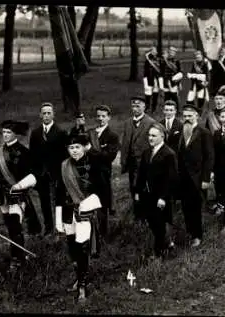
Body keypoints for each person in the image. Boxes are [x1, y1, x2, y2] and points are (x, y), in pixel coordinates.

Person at [55, 133, 107, 303]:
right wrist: (57, 217)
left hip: (85, 212)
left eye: (77, 147)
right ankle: (79, 277)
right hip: (68, 213)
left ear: (84, 147)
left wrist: (86, 204)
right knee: (73, 249)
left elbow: (102, 191)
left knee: (82, 246)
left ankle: (83, 285)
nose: (74, 151)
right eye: (71, 148)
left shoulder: (95, 164)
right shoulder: (64, 166)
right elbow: (59, 192)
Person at [0, 120, 42, 270]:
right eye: (4, 132)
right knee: (9, 226)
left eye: (8, 132)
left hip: (17, 195)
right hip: (2, 195)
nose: (5, 135)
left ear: (15, 134)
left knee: (15, 226)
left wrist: (19, 186)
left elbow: (33, 174)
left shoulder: (24, 152)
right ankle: (18, 254)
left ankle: (17, 258)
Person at [135, 123, 178, 259]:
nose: (150, 138)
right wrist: (137, 191)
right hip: (147, 195)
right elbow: (141, 174)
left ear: (162, 136)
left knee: (160, 223)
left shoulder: (168, 154)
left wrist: (163, 197)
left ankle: (158, 254)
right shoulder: (147, 152)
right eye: (149, 135)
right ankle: (168, 243)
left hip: (160, 196)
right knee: (152, 222)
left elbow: (171, 178)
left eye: (154, 135)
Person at [29, 103, 68, 236]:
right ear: (40, 115)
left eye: (49, 113)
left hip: (56, 173)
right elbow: (32, 155)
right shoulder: (35, 133)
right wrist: (35, 173)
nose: (46, 116)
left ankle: (60, 226)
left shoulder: (61, 132)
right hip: (41, 174)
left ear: (53, 115)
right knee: (44, 201)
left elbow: (64, 156)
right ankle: (48, 227)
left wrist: (61, 174)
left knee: (58, 200)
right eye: (44, 113)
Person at [178, 104, 214, 247]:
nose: (187, 119)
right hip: (183, 177)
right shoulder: (181, 131)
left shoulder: (204, 132)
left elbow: (209, 157)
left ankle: (197, 236)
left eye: (190, 116)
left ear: (196, 116)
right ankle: (189, 233)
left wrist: (205, 179)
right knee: (186, 206)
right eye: (185, 116)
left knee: (196, 207)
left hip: (197, 178)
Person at [120, 96, 156, 221]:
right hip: (132, 163)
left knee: (143, 188)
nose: (135, 108)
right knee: (133, 187)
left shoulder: (150, 122)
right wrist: (123, 161)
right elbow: (125, 143)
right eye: (133, 106)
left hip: (144, 162)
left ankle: (146, 214)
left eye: (138, 106)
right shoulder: (127, 122)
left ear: (144, 107)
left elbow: (153, 144)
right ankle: (137, 214)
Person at [88, 105, 120, 233]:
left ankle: (102, 233)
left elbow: (108, 157)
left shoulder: (112, 136)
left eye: (103, 116)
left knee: (103, 204)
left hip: (103, 174)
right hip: (89, 173)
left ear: (109, 118)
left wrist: (91, 150)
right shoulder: (90, 133)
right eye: (98, 116)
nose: (100, 119)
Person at [162, 46, 184, 111]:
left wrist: (179, 83)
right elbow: (162, 72)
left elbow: (180, 73)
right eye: (170, 51)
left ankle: (177, 111)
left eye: (173, 52)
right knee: (167, 97)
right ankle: (167, 110)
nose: (172, 53)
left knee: (174, 97)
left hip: (174, 81)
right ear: (168, 52)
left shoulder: (177, 61)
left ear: (175, 53)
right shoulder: (164, 60)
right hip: (166, 81)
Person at [143, 46, 164, 112]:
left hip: (157, 79)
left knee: (155, 94)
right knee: (148, 94)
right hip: (149, 79)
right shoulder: (147, 61)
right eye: (153, 51)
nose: (155, 52)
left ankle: (153, 109)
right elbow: (145, 72)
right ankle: (147, 107)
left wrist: (161, 81)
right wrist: (145, 82)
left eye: (155, 51)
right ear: (151, 52)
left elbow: (161, 71)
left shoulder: (159, 60)